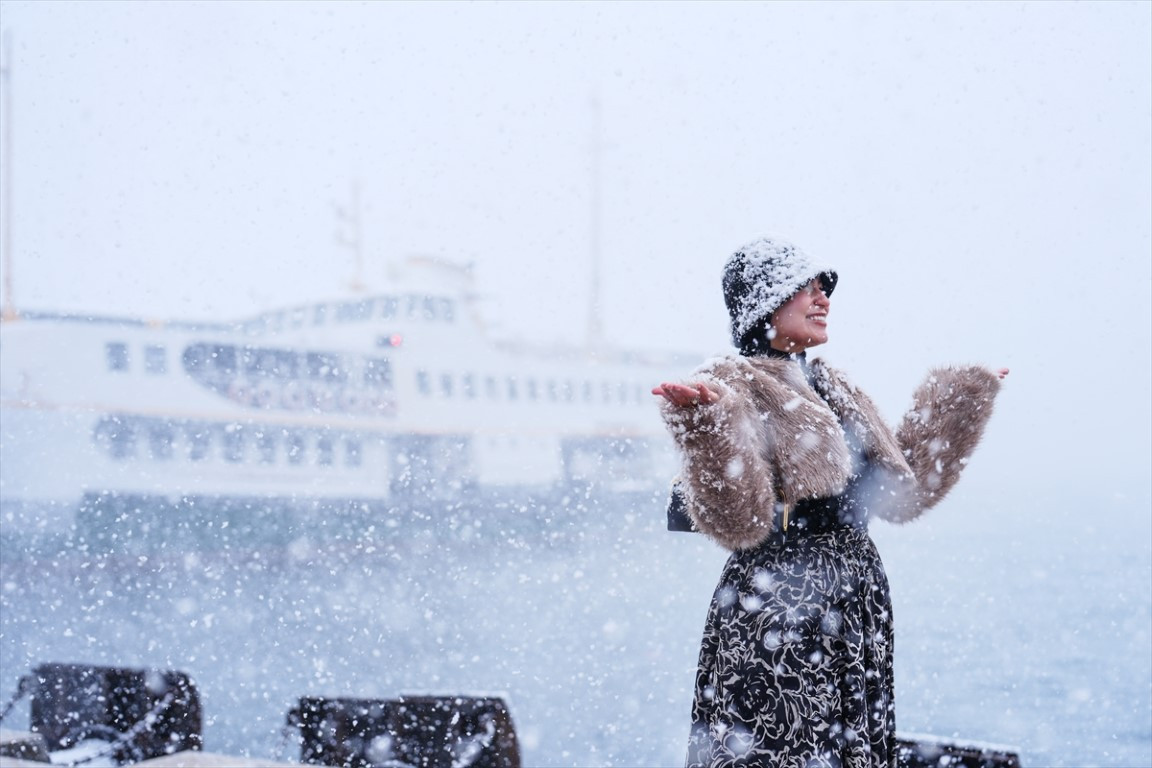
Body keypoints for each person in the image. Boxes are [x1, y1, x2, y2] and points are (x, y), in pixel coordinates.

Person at [653, 237, 1007, 768]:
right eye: (805, 289)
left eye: (826, 289)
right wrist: (706, 428)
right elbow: (738, 517)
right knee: (777, 743)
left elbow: (898, 494)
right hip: (777, 597)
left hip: (854, 594)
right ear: (764, 301)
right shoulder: (730, 383)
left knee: (849, 743)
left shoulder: (831, 383)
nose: (823, 300)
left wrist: (958, 403)